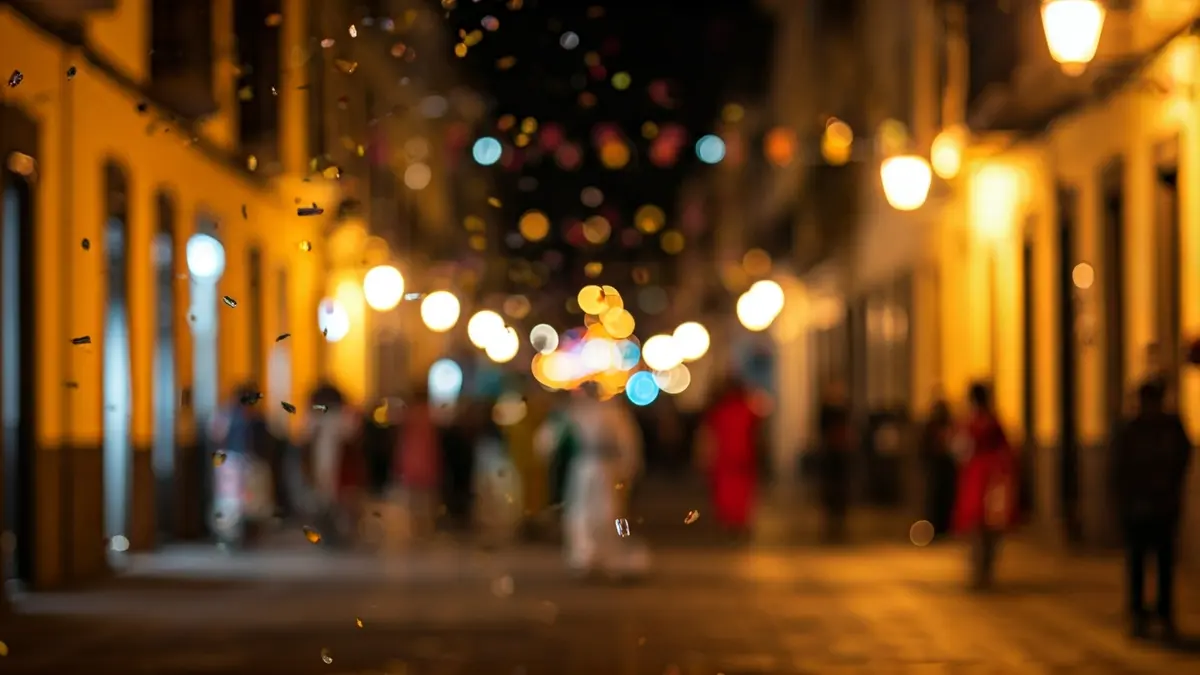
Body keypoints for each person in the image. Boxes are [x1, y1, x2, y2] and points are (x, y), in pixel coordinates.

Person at [1111, 381, 1192, 641]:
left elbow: (1182, 458)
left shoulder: (1168, 429)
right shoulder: (1134, 430)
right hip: (1140, 507)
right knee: (1139, 563)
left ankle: (1161, 614)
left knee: (1161, 562)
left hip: (1160, 507)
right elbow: (1120, 469)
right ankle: (1140, 614)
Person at [543, 383, 644, 578]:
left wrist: (628, 468)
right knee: (580, 512)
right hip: (584, 466)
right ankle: (584, 555)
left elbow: (627, 442)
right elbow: (550, 436)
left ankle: (607, 554)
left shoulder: (613, 412)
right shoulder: (576, 412)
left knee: (609, 512)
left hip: (606, 468)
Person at [951, 381, 1019, 590]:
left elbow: (961, 449)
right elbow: (1007, 447)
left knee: (977, 525)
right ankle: (986, 571)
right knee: (991, 527)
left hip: (976, 477)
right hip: (995, 476)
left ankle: (978, 572)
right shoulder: (994, 421)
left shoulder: (971, 423)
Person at [696, 378, 760, 539]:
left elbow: (710, 437)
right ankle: (738, 521)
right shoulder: (746, 410)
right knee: (740, 491)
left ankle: (728, 521)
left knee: (726, 491)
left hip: (725, 458)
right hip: (742, 457)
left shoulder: (718, 412)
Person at [473, 400, 524, 547]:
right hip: (492, 474)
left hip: (492, 474)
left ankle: (495, 534)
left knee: (493, 504)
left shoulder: (492, 434)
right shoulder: (494, 434)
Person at [394, 388, 442, 541]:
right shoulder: (429, 416)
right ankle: (424, 529)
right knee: (425, 500)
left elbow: (403, 443)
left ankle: (418, 528)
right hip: (424, 463)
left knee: (416, 500)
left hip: (414, 463)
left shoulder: (411, 416)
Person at [815, 382, 853, 543]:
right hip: (831, 455)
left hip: (841, 455)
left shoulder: (844, 410)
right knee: (830, 489)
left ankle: (839, 519)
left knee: (840, 489)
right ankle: (831, 520)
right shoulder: (827, 410)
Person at [920, 399, 957, 539]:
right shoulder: (931, 427)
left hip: (945, 467)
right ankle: (935, 529)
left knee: (945, 499)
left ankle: (945, 528)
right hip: (935, 467)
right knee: (935, 499)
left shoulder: (949, 426)